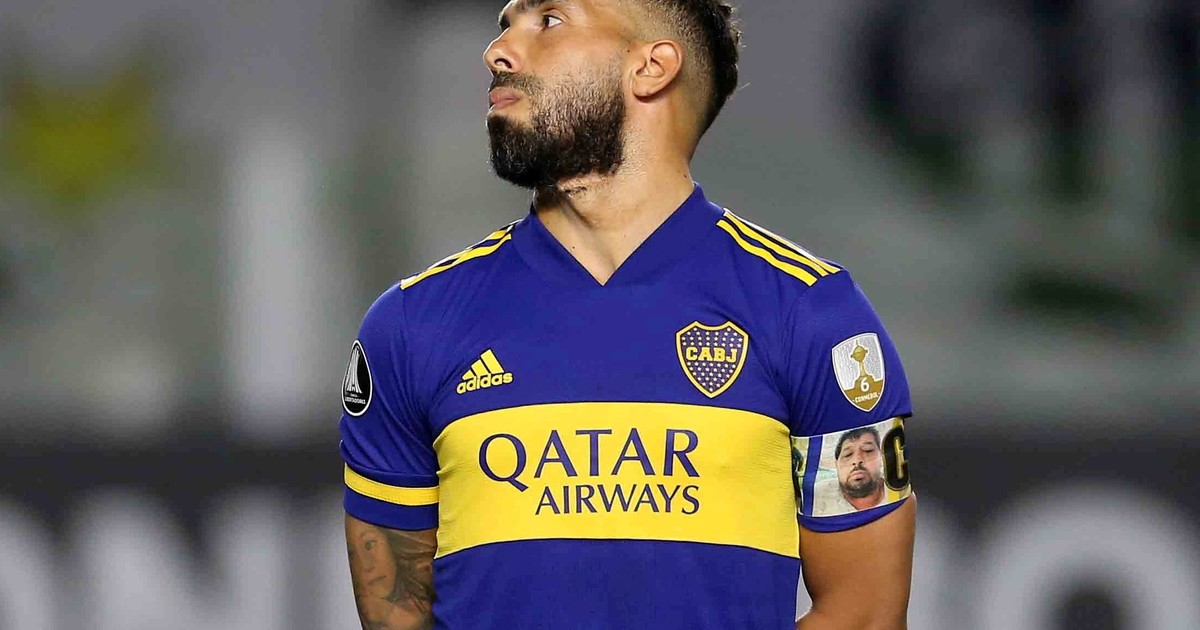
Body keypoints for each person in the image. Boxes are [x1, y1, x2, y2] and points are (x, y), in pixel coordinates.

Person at [339, 1, 916, 628]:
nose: (497, 50)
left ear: (651, 67)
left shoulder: (814, 314)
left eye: (549, 20)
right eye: (506, 25)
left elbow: (864, 613)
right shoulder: (410, 326)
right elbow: (395, 613)